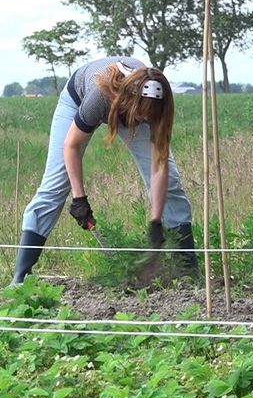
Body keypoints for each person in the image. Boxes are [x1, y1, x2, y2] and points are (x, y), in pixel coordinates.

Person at [12, 56, 198, 284]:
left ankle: (188, 273)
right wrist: (79, 198)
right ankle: (20, 278)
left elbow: (158, 165)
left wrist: (156, 221)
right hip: (79, 97)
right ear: (132, 100)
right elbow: (71, 145)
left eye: (151, 115)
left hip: (129, 104)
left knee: (171, 185)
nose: (145, 119)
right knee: (54, 188)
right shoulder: (99, 97)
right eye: (142, 114)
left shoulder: (155, 108)